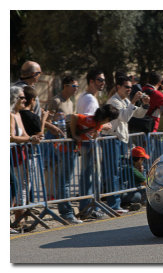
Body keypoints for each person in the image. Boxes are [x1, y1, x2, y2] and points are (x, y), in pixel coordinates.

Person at [102, 75, 150, 213]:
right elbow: (124, 116)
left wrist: (145, 104)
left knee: (118, 172)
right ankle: (114, 205)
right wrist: (134, 101)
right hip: (112, 139)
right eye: (127, 87)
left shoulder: (125, 101)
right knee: (113, 173)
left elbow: (138, 114)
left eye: (131, 87)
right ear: (118, 87)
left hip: (121, 140)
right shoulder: (114, 102)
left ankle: (118, 203)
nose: (130, 89)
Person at [70, 104, 120, 219]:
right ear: (106, 118)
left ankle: (92, 208)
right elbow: (74, 116)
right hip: (86, 149)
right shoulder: (90, 120)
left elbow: (95, 130)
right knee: (87, 179)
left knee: (94, 179)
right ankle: (85, 208)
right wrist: (74, 135)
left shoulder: (98, 123)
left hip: (91, 149)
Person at [45, 76, 82, 224]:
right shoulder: (56, 101)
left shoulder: (70, 102)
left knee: (65, 180)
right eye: (74, 86)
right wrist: (54, 127)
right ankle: (66, 212)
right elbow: (46, 120)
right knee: (64, 181)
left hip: (69, 144)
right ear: (65, 86)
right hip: (59, 145)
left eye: (77, 86)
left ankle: (67, 211)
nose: (76, 89)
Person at [10, 86, 42, 232]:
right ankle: (17, 219)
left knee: (22, 186)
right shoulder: (10, 115)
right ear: (14, 99)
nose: (24, 100)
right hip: (12, 156)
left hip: (20, 154)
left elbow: (23, 135)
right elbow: (11, 137)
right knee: (15, 187)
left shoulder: (18, 115)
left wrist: (30, 138)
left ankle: (19, 220)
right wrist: (29, 138)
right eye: (21, 97)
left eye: (24, 97)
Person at [121, 146, 150, 211]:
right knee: (138, 195)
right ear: (139, 159)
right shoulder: (132, 169)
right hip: (123, 195)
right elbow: (147, 183)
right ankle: (128, 204)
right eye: (143, 159)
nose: (143, 162)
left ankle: (130, 204)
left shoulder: (128, 164)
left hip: (123, 192)